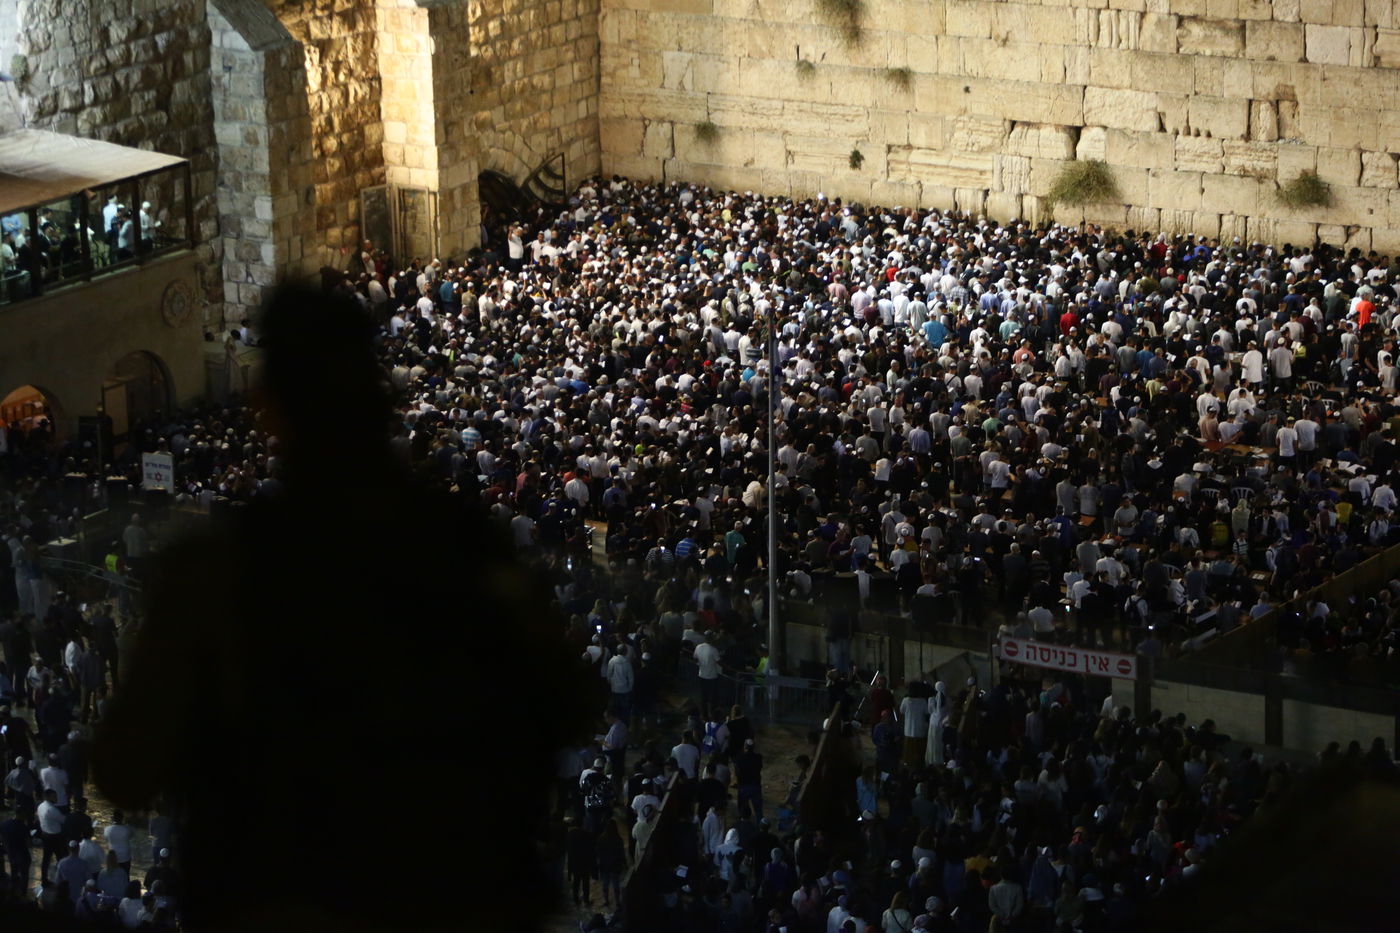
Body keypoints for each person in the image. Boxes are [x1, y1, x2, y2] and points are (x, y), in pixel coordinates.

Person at [89, 286, 590, 933]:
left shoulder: (221, 570)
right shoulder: (465, 545)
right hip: (447, 895)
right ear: (377, 393)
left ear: (268, 409)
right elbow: (566, 701)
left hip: (284, 899)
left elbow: (125, 769)